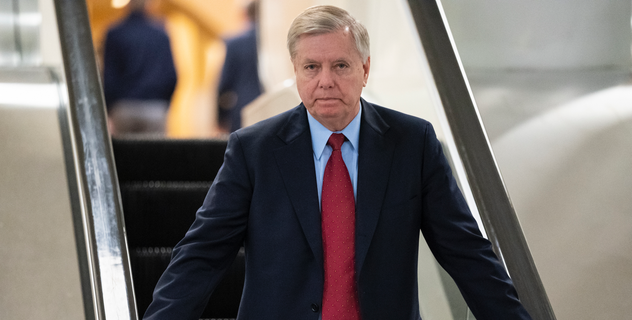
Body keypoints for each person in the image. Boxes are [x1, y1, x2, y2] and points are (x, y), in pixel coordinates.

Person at [143, 5, 532, 320]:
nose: (325, 80)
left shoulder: (413, 144)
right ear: (296, 71)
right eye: (311, 67)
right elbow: (202, 254)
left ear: (364, 70)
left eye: (341, 66)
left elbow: (465, 252)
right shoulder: (253, 150)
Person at [102, 0, 177, 136]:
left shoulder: (115, 33)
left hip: (124, 107)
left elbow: (109, 78)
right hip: (154, 107)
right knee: (155, 155)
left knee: (124, 156)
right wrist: (163, 104)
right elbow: (171, 76)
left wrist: (109, 108)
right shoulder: (160, 35)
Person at [217, 1, 263, 133]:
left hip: (242, 106)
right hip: (270, 103)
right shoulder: (276, 42)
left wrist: (220, 117)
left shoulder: (234, 43)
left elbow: (224, 85)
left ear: (245, 14)